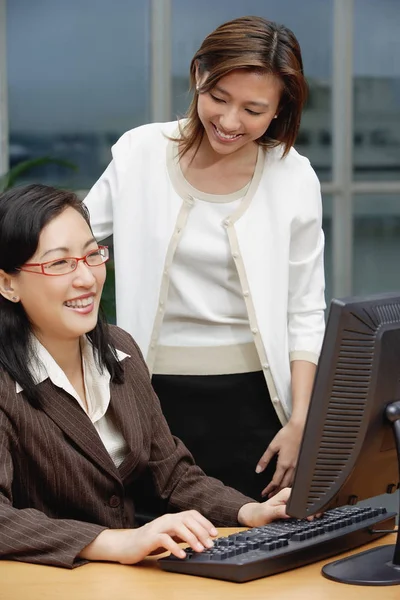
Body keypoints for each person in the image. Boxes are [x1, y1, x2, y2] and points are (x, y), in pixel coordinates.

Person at [84, 16, 326, 511]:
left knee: (258, 554)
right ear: (199, 74)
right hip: (150, 403)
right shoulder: (140, 154)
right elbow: (72, 241)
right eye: (219, 97)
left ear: (280, 110)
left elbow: (305, 311)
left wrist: (301, 421)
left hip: (259, 410)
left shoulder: (293, 176)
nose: (231, 121)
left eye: (254, 109)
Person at [0, 184, 293, 568]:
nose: (87, 278)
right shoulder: (7, 381)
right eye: (59, 263)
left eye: (92, 255)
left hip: (129, 580)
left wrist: (249, 513)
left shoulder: (118, 350)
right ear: (8, 283)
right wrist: (116, 543)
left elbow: (170, 474)